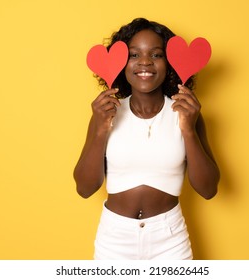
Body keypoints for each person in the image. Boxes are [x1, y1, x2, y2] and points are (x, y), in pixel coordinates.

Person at [74, 18, 220, 260]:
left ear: (170, 62)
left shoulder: (188, 112)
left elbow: (208, 189)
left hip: (170, 241)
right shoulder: (106, 113)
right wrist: (101, 130)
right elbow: (84, 188)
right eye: (134, 55)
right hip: (114, 240)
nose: (145, 62)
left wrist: (188, 130)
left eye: (156, 55)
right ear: (121, 62)